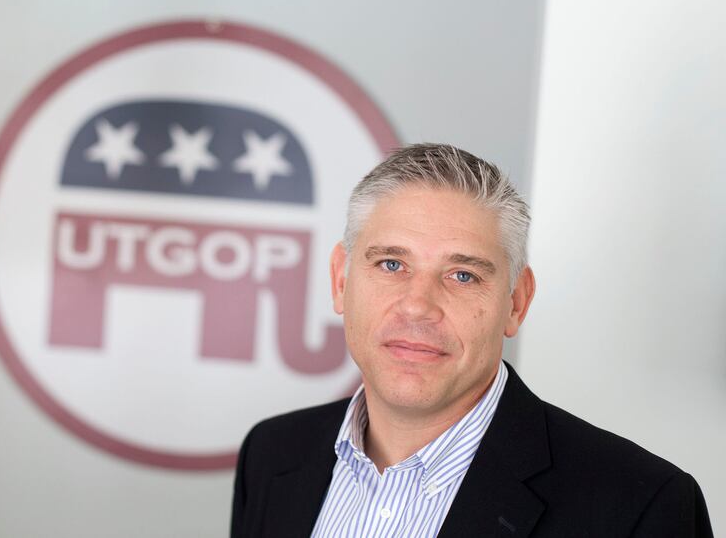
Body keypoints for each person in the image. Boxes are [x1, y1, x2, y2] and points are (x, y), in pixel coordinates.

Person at [230, 143, 713, 537]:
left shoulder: (641, 507)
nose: (418, 305)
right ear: (341, 281)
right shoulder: (273, 455)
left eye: (462, 275)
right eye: (391, 264)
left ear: (516, 303)